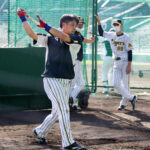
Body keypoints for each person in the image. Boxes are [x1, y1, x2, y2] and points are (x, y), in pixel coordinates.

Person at [17, 8, 87, 150]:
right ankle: (68, 143)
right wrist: (23, 18)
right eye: (72, 25)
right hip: (51, 79)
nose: (75, 27)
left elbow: (63, 36)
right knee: (63, 109)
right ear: (64, 24)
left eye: (75, 25)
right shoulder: (49, 39)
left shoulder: (77, 39)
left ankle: (40, 131)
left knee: (57, 111)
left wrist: (46, 26)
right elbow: (31, 33)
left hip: (67, 80)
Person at [95, 15, 137, 111]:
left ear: (121, 26)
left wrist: (129, 65)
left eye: (117, 24)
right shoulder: (111, 35)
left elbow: (130, 52)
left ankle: (123, 103)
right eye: (114, 24)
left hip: (125, 61)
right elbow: (101, 33)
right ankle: (132, 98)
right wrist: (99, 21)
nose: (115, 26)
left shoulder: (127, 37)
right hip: (116, 62)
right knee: (115, 84)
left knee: (125, 84)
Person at [69, 17, 95, 110]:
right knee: (73, 83)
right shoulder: (71, 33)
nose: (81, 25)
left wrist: (91, 40)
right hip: (74, 60)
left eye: (82, 23)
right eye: (79, 23)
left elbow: (84, 40)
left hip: (77, 61)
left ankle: (71, 100)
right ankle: (70, 101)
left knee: (80, 83)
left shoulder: (77, 33)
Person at [102, 29, 114, 94]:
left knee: (104, 73)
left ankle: (106, 88)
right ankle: (112, 86)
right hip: (114, 58)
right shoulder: (116, 40)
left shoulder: (106, 40)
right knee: (111, 72)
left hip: (107, 57)